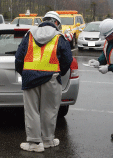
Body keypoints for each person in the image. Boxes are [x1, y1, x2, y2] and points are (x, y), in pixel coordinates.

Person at [15, 11, 73, 152]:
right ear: (57, 23)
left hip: (30, 78)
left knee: (32, 111)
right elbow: (67, 59)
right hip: (52, 79)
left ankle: (35, 143)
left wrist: (23, 72)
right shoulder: (59, 37)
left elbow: (19, 57)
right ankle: (47, 140)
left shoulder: (29, 34)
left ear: (43, 20)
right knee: (49, 111)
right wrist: (60, 73)